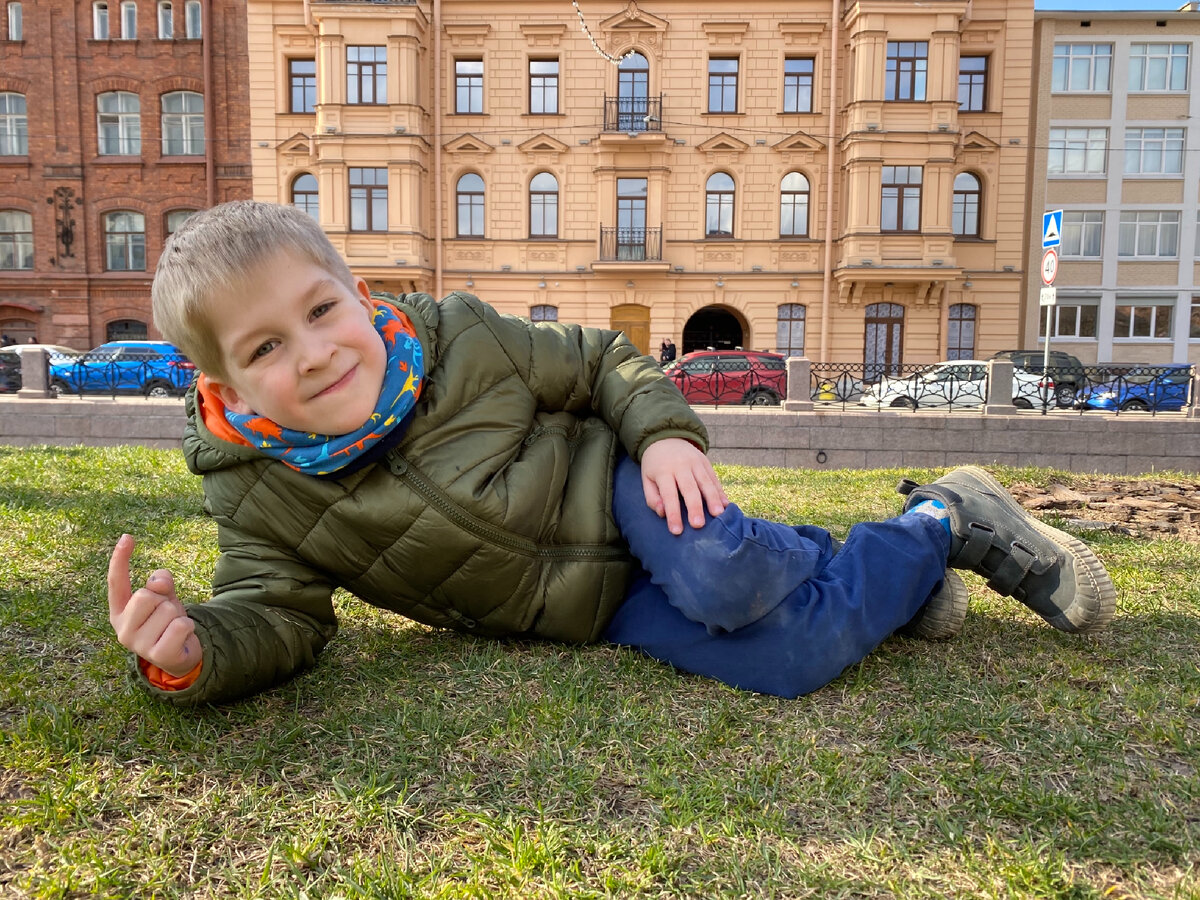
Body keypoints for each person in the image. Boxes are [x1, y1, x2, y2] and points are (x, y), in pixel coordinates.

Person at [107, 201, 1116, 706]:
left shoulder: (459, 337)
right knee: (790, 658)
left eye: (321, 310)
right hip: (586, 611)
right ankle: (920, 544)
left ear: (356, 293)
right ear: (226, 386)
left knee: (725, 571)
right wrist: (194, 651)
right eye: (266, 348)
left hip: (622, 492)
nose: (317, 351)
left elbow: (601, 360)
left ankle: (951, 519)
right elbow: (274, 613)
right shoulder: (258, 491)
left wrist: (663, 431)